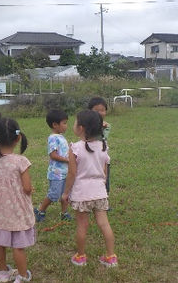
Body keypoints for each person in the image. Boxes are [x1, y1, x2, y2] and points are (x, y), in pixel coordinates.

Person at [62, 110, 117, 267]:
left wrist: (66, 193)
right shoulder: (104, 147)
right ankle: (111, 256)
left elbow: (72, 174)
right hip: (100, 192)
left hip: (81, 194)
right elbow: (104, 172)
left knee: (81, 226)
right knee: (104, 224)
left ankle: (80, 257)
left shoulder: (75, 148)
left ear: (81, 128)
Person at [0, 118, 34, 282]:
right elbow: (27, 188)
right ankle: (22, 276)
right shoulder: (21, 161)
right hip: (17, 212)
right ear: (18, 138)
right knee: (18, 247)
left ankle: (3, 273)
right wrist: (30, 190)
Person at [34, 109, 71, 222]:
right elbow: (53, 155)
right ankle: (40, 210)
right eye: (64, 123)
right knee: (54, 194)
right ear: (55, 124)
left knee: (66, 193)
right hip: (56, 173)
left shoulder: (61, 137)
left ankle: (64, 213)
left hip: (65, 172)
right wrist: (68, 160)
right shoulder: (53, 138)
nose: (66, 126)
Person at [88, 97, 111, 195]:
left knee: (105, 178)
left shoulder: (107, 126)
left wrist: (101, 127)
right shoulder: (86, 125)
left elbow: (101, 138)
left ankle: (104, 197)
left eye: (102, 110)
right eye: (96, 110)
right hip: (90, 158)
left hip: (102, 157)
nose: (100, 113)